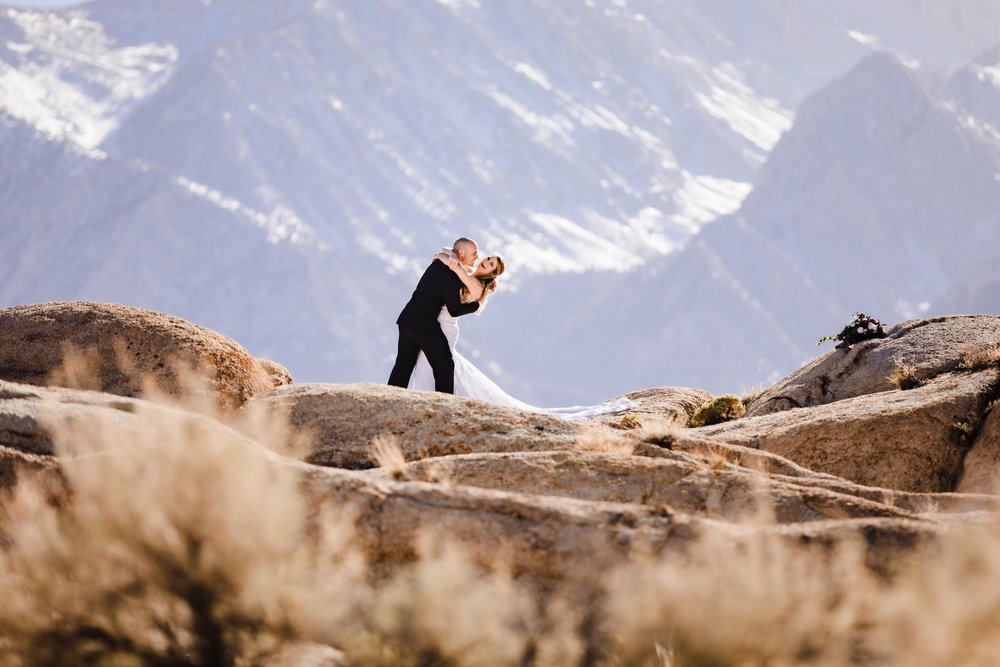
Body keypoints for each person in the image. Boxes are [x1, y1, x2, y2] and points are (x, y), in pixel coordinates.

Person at [408, 247, 636, 420]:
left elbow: (455, 269)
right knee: (432, 365)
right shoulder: (469, 272)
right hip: (433, 325)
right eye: (488, 259)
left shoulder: (475, 284)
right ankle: (433, 400)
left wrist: (448, 259)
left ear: (490, 275)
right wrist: (443, 255)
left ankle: (437, 403)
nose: (485, 262)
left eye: (489, 265)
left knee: (434, 364)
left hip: (443, 327)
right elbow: (447, 255)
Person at [387, 238, 482, 393]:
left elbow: (446, 252)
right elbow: (455, 310)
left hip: (407, 317)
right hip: (422, 322)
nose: (477, 257)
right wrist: (476, 305)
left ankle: (387, 401)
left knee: (403, 366)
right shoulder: (450, 274)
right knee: (444, 364)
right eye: (474, 253)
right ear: (462, 253)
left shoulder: (439, 263)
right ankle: (445, 404)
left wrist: (449, 254)